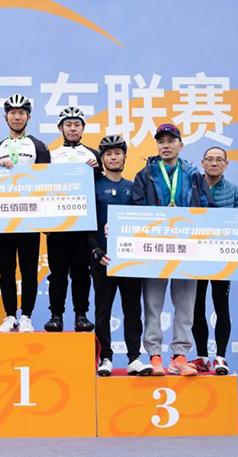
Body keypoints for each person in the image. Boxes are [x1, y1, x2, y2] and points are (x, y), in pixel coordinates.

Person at [131, 123, 212, 376]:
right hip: (154, 249)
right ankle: (155, 356)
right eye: (161, 142)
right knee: (152, 305)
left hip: (187, 248)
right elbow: (135, 208)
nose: (165, 146)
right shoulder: (145, 174)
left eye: (170, 141)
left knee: (185, 306)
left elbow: (207, 207)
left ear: (181, 145)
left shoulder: (194, 175)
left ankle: (179, 356)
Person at [90, 135, 151, 376]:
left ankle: (134, 357)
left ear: (125, 156)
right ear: (102, 159)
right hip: (102, 259)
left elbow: (142, 222)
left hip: (129, 260)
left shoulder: (133, 187)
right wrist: (95, 250)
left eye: (117, 153)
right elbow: (86, 223)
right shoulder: (94, 186)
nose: (113, 157)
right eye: (108, 154)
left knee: (133, 309)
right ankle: (105, 357)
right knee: (102, 310)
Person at [0, 94, 51, 332]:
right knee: (6, 270)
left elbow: (46, 182)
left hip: (29, 218)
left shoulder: (38, 147)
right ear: (6, 117)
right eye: (13, 113)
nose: (17, 117)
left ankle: (26, 316)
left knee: (28, 270)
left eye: (21, 113)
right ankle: (8, 316)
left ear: (28, 117)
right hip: (3, 219)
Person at [43, 106, 100, 333]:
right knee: (57, 273)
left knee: (81, 273)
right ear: (60, 128)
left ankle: (81, 315)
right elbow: (43, 188)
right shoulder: (51, 155)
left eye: (77, 124)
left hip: (84, 226)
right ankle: (56, 315)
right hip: (58, 226)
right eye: (68, 124)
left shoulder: (93, 155)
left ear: (83, 128)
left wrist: (95, 171)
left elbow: (98, 188)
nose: (73, 128)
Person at [191, 146, 238, 375]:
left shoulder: (234, 191)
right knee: (196, 308)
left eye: (219, 160)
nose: (214, 163)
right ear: (202, 162)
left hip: (222, 259)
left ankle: (221, 357)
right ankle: (202, 356)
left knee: (221, 307)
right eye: (210, 159)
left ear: (226, 164)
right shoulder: (191, 187)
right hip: (194, 257)